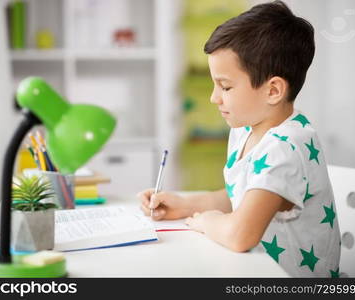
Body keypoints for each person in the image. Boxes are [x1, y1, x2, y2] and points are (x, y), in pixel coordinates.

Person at [137, 0, 341, 277]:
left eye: (225, 86)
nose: (213, 97)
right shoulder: (246, 129)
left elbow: (240, 234)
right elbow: (241, 196)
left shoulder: (286, 147)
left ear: (273, 91)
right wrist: (186, 205)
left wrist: (209, 222)